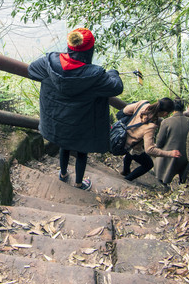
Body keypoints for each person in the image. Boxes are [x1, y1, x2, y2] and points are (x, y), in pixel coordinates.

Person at [28, 28, 123, 190]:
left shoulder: (49, 62)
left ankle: (63, 174)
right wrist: (113, 73)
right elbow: (116, 87)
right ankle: (79, 183)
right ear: (90, 50)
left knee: (63, 145)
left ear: (70, 47)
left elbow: (32, 70)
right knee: (81, 153)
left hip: (61, 124)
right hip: (81, 126)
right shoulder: (96, 76)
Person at [120, 98, 181, 182]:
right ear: (165, 113)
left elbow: (126, 110)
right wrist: (170, 153)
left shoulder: (143, 104)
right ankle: (127, 179)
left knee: (132, 150)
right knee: (148, 164)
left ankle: (125, 171)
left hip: (122, 136)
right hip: (129, 144)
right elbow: (149, 150)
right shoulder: (150, 126)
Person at [154, 98, 189, 187]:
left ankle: (162, 184)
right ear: (183, 109)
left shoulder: (166, 122)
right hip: (185, 158)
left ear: (172, 110)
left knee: (157, 156)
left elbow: (159, 142)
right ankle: (181, 182)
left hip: (169, 157)